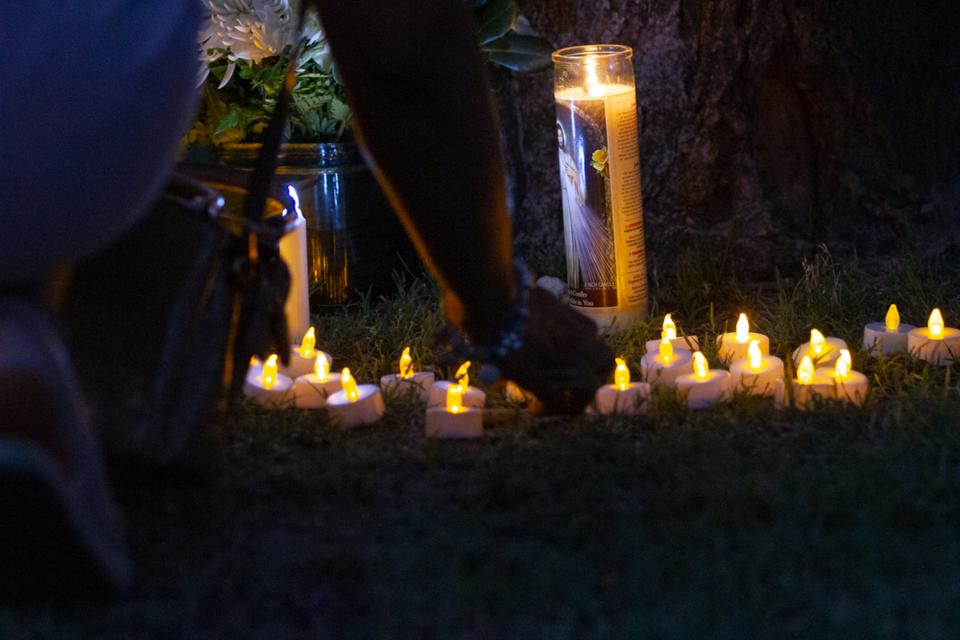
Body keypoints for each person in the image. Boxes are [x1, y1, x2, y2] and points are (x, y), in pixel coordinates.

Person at [0, 0, 612, 593]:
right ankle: (23, 371)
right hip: (56, 111)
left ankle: (18, 346)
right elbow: (406, 44)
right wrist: (496, 305)